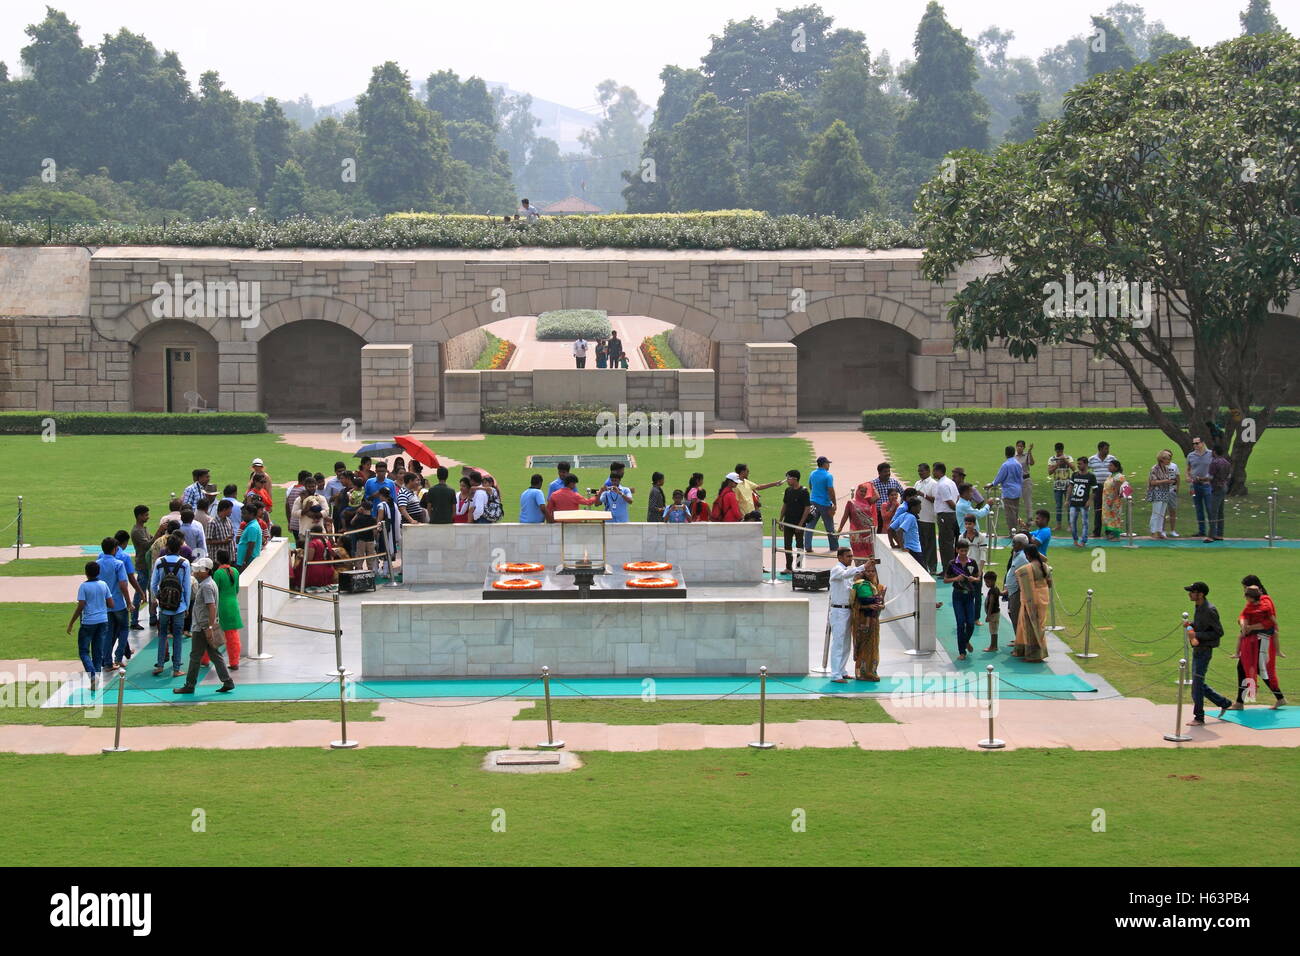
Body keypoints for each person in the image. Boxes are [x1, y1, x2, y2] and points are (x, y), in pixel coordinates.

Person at [173, 558, 234, 695]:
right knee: (215, 654)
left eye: (199, 569)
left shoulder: (206, 586)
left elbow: (211, 607)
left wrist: (209, 628)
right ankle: (227, 681)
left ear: (206, 571)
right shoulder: (209, 583)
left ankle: (190, 685)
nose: (196, 571)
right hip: (205, 626)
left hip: (202, 627)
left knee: (195, 656)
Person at [1183, 581, 1233, 725]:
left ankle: (1199, 717)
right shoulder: (1199, 606)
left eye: (1192, 591)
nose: (1189, 594)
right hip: (1198, 650)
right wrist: (1191, 625)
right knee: (1198, 683)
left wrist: (1196, 634)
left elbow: (1218, 632)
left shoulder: (1209, 610)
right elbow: (1203, 626)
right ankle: (1224, 703)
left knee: (1196, 686)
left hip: (1204, 651)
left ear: (1201, 594)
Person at [1233, 584, 1286, 708]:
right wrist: (1243, 625)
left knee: (1258, 669)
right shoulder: (1252, 606)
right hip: (1252, 640)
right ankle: (1240, 702)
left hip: (1258, 642)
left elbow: (1269, 623)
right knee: (1243, 668)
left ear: (1250, 597)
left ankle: (1280, 697)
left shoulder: (1264, 605)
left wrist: (1251, 627)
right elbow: (1243, 616)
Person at [67, 562, 114, 691]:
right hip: (103, 621)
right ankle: (96, 680)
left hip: (88, 622)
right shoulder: (103, 585)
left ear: (86, 573)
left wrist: (71, 622)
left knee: (83, 651)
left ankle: (93, 676)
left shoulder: (84, 587)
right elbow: (111, 604)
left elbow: (81, 606)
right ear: (98, 572)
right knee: (97, 652)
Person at [151, 536, 190, 678]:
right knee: (178, 636)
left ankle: (160, 664)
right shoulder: (184, 563)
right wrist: (185, 604)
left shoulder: (160, 562)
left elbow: (153, 584)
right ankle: (176, 668)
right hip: (179, 605)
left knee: (162, 635)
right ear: (179, 547)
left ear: (166, 547)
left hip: (163, 607)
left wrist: (159, 597)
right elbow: (186, 586)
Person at [95, 537, 132, 672]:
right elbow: (123, 584)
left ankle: (108, 663)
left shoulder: (97, 563)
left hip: (104, 604)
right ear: (114, 549)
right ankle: (118, 657)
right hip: (118, 603)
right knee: (124, 629)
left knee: (108, 632)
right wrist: (129, 602)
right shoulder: (118, 564)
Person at [1011, 542, 1051, 662]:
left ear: (1027, 555)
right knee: (1039, 625)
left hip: (1031, 599)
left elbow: (1019, 580)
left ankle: (1034, 655)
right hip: (1043, 597)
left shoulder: (1025, 569)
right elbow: (1049, 583)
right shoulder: (1045, 566)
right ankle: (1024, 650)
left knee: (1030, 626)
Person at [944, 541, 982, 661]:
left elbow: (978, 578)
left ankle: (965, 641)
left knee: (970, 623)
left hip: (970, 595)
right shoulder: (952, 564)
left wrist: (974, 579)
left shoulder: (972, 562)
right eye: (961, 551)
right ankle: (962, 651)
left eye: (966, 551)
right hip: (958, 596)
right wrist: (956, 578)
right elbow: (945, 579)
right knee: (960, 623)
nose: (964, 553)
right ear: (957, 550)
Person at [827, 548, 861, 683]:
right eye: (848, 556)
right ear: (840, 557)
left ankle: (842, 670)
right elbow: (844, 575)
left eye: (852, 556)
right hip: (838, 611)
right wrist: (862, 567)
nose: (851, 558)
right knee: (838, 643)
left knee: (846, 643)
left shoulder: (847, 572)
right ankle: (835, 674)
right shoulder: (836, 569)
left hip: (847, 610)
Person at [851, 563, 885, 681]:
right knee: (862, 646)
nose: (870, 573)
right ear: (864, 573)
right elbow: (855, 605)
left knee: (873, 645)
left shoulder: (880, 587)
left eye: (872, 571)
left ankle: (871, 671)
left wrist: (880, 606)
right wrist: (868, 606)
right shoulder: (860, 585)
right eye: (868, 571)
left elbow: (882, 604)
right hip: (862, 620)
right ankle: (859, 672)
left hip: (874, 621)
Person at [212, 550, 244, 670]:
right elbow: (236, 589)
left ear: (218, 560)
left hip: (221, 605)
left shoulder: (218, 573)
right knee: (233, 635)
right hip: (233, 604)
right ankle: (234, 661)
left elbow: (214, 592)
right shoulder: (235, 571)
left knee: (211, 632)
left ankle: (205, 659)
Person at [987, 446, 1023, 537]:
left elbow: (999, 477)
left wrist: (992, 484)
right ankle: (1016, 531)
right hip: (1017, 490)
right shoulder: (1018, 464)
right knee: (1015, 513)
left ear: (1006, 453)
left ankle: (1012, 533)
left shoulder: (1006, 465)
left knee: (1010, 514)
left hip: (1008, 492)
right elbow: (1021, 478)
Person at [837, 482, 878, 564]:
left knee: (869, 553)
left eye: (864, 492)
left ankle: (869, 572)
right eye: (861, 491)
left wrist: (872, 486)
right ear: (857, 491)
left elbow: (877, 497)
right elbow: (845, 517)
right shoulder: (850, 503)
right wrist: (839, 529)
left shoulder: (867, 501)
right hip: (855, 533)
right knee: (858, 553)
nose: (863, 493)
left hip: (868, 532)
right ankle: (859, 571)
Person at [129, 504, 155, 629]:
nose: (148, 517)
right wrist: (160, 531)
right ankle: (133, 621)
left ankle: (153, 618)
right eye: (146, 515)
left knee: (151, 591)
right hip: (142, 565)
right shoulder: (136, 531)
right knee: (140, 593)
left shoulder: (143, 529)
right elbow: (147, 545)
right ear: (139, 516)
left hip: (147, 565)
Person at [806, 456, 838, 552]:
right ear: (824, 464)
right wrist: (834, 504)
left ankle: (807, 547)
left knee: (810, 526)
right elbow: (831, 491)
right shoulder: (828, 476)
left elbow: (810, 486)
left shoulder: (812, 473)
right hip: (824, 504)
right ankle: (834, 547)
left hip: (813, 502)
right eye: (828, 463)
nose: (829, 465)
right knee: (829, 527)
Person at [931, 462, 959, 569]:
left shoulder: (942, 485)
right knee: (948, 542)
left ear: (939, 471)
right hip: (950, 516)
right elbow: (957, 497)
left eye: (934, 470)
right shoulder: (950, 482)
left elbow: (950, 503)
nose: (933, 472)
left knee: (945, 544)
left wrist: (955, 510)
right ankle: (950, 567)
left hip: (945, 516)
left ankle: (947, 569)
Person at [1088, 442, 1117, 539]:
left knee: (1108, 509)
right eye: (1106, 449)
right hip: (1097, 487)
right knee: (1098, 509)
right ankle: (1096, 532)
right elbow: (1087, 471)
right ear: (1100, 449)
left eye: (1108, 448)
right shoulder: (1092, 459)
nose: (1107, 451)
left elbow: (1118, 471)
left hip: (1109, 487)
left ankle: (1109, 532)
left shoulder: (1112, 458)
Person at [1146, 449, 1177, 539]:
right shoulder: (1154, 469)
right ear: (1162, 459)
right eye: (1167, 459)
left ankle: (1159, 531)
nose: (1169, 461)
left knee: (1162, 514)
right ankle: (1153, 531)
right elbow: (1152, 482)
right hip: (1157, 492)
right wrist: (1166, 481)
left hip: (1165, 492)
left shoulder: (1166, 469)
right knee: (1156, 513)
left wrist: (1170, 482)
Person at [1187, 436, 1214, 539]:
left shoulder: (1211, 454)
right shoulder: (1190, 455)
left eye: (1197, 443)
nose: (1195, 445)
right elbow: (1188, 469)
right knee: (1198, 509)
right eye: (1193, 444)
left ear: (1202, 443)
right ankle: (1201, 531)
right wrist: (1188, 477)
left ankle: (1212, 531)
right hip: (1194, 485)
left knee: (1209, 508)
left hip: (1207, 485)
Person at [1067, 453, 1097, 547]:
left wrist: (1089, 501)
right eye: (1078, 464)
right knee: (1072, 522)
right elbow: (1070, 487)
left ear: (1086, 464)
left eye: (1080, 464)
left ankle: (1083, 541)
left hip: (1084, 503)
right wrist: (1067, 499)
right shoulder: (1075, 474)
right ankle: (1075, 540)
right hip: (1074, 502)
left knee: (1085, 522)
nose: (1078, 465)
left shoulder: (1091, 476)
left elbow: (1094, 490)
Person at [914, 462, 938, 573]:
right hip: (918, 518)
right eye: (919, 471)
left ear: (928, 471)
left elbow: (935, 500)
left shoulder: (933, 484)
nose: (920, 473)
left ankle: (932, 568)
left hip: (928, 518)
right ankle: (922, 566)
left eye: (922, 471)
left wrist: (922, 494)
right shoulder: (917, 483)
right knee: (920, 543)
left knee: (930, 545)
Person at [1003, 533, 1029, 634]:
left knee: (1016, 617)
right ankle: (1018, 641)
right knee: (1013, 615)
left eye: (1015, 543)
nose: (1012, 544)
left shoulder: (1023, 557)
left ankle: (1020, 644)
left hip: (1017, 591)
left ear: (1021, 544)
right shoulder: (1016, 554)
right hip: (1012, 591)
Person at [870, 463, 907, 532]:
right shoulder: (873, 483)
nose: (888, 473)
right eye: (885, 471)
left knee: (894, 531)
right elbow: (869, 499)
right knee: (879, 533)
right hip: (879, 513)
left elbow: (903, 494)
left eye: (888, 471)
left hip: (894, 513)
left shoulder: (894, 482)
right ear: (879, 473)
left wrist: (900, 506)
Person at [1206, 444, 1231, 542]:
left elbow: (1210, 477)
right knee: (1220, 512)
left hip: (1216, 488)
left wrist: (1201, 479)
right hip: (1224, 487)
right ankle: (1220, 534)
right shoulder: (1227, 463)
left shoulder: (1214, 462)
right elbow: (1229, 476)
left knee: (1213, 512)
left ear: (1214, 452)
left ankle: (1211, 535)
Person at [888, 497, 923, 565]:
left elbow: (890, 529)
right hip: (914, 550)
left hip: (909, 548)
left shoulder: (902, 515)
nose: (920, 508)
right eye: (919, 506)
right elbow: (899, 531)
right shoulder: (911, 517)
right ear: (913, 507)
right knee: (924, 573)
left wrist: (892, 544)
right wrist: (902, 547)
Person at [1047, 444, 1073, 530]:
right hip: (1057, 486)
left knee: (1069, 505)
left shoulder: (1068, 457)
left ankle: (1070, 525)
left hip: (1068, 485)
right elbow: (1049, 472)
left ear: (1063, 450)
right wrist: (1057, 464)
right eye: (1058, 451)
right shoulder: (1052, 459)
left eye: (1061, 451)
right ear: (1055, 450)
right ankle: (1058, 525)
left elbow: (1074, 468)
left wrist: (1066, 461)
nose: (1059, 453)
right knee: (1058, 506)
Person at [1101, 459, 1127, 539]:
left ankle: (1115, 535)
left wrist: (1111, 501)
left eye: (1111, 465)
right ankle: (1109, 534)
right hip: (1106, 500)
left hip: (1113, 501)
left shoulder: (1118, 477)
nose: (1109, 467)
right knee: (1108, 518)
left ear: (1116, 467)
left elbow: (1116, 490)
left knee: (1114, 517)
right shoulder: (1110, 476)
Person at [235, 504, 263, 570]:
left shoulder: (252, 527)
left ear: (252, 514)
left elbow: (251, 547)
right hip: (245, 562)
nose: (242, 516)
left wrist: (245, 562)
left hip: (247, 563)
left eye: (244, 513)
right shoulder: (251, 525)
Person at [982, 571, 1003, 652]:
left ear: (993, 581)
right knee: (994, 630)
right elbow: (1000, 593)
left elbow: (991, 603)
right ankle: (995, 646)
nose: (986, 584)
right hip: (996, 613)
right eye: (985, 582)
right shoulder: (996, 588)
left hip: (993, 613)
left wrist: (988, 615)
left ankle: (992, 646)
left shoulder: (992, 591)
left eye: (988, 582)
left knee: (993, 630)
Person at [1014, 440, 1036, 516]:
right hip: (1016, 481)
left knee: (1027, 500)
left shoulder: (1026, 455)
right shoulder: (1013, 456)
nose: (1019, 448)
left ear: (1024, 447)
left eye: (1021, 446)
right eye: (1018, 446)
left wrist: (1030, 452)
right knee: (1015, 499)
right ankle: (1015, 518)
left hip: (1026, 480)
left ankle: (1030, 518)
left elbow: (1032, 463)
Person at [1164, 449, 1181, 538]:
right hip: (1163, 491)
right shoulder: (1159, 466)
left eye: (1169, 456)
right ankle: (1162, 530)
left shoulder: (1174, 466)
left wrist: (1177, 488)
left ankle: (1173, 530)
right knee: (1162, 511)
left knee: (1172, 511)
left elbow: (1178, 477)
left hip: (1172, 491)